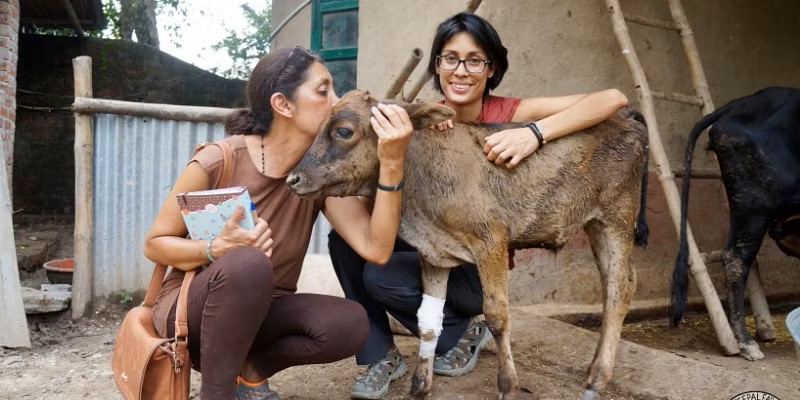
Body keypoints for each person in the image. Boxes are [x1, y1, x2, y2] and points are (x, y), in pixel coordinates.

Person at [328, 12, 630, 399]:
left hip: (477, 262)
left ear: (491, 69)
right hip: (428, 238)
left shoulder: (510, 113)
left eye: (475, 60)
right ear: (437, 64)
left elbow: (615, 100)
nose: (461, 71)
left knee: (380, 277)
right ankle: (381, 356)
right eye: (450, 58)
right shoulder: (423, 118)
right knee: (345, 243)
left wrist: (534, 134)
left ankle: (464, 332)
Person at [143, 46, 415, 400]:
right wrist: (215, 248)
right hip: (194, 309)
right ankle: (218, 393)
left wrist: (391, 164)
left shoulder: (317, 177)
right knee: (246, 261)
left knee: (350, 323)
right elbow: (155, 243)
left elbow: (376, 248)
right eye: (323, 91)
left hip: (262, 314)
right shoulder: (219, 160)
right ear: (283, 105)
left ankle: (250, 371)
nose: (336, 102)